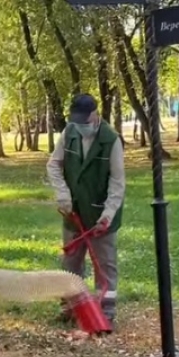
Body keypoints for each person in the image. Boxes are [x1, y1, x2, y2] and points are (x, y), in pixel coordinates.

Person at [45, 93, 126, 329]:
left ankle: (106, 311)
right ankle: (70, 307)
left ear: (95, 114)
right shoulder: (69, 132)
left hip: (101, 215)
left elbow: (117, 182)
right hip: (74, 213)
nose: (81, 126)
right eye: (76, 121)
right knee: (71, 262)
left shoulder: (111, 140)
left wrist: (108, 213)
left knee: (105, 264)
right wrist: (62, 195)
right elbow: (54, 165)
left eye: (84, 121)